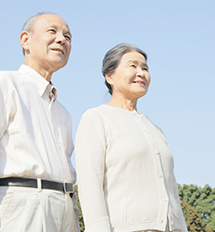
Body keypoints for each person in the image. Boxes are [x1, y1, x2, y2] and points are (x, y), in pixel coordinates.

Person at [0, 13, 79, 232]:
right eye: (52, 31)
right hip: (19, 209)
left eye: (67, 36)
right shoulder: (1, 84)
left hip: (64, 212)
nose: (62, 39)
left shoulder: (64, 113)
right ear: (25, 40)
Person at [75, 43, 188, 232]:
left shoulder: (156, 129)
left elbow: (172, 193)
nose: (141, 73)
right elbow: (89, 185)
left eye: (145, 68)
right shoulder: (96, 118)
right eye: (133, 66)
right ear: (109, 76)